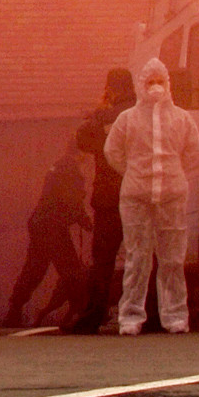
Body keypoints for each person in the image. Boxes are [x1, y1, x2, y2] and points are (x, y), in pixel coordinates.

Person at [102, 58, 199, 334]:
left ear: (167, 84)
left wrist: (173, 172)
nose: (155, 88)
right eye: (149, 82)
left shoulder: (181, 118)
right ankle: (130, 316)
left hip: (172, 195)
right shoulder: (126, 120)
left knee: (173, 259)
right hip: (136, 197)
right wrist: (134, 173)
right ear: (141, 86)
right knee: (136, 257)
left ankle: (175, 316)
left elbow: (192, 150)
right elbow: (111, 151)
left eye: (159, 82)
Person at [6, 118, 101, 328]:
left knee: (34, 270)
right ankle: (80, 313)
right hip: (53, 226)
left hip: (41, 223)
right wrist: (88, 224)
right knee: (72, 271)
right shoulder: (71, 169)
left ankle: (14, 311)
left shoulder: (58, 165)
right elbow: (71, 201)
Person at [70, 66, 136, 333]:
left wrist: (98, 113)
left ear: (110, 88)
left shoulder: (104, 116)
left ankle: (92, 316)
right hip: (139, 195)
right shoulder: (142, 113)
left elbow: (82, 141)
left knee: (103, 261)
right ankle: (149, 313)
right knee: (142, 258)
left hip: (109, 198)